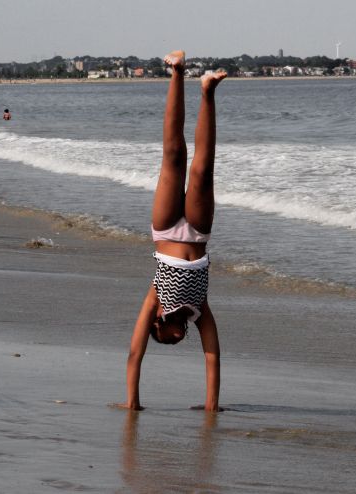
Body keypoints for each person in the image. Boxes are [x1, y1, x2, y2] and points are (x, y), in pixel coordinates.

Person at [122, 51, 226, 412]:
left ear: (156, 326)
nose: (175, 340)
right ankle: (208, 91)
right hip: (198, 235)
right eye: (175, 342)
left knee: (173, 155)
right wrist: (211, 407)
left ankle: (177, 71)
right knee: (202, 169)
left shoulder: (156, 301)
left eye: (165, 341)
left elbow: (135, 353)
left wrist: (131, 403)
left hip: (166, 230)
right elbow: (212, 355)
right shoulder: (199, 310)